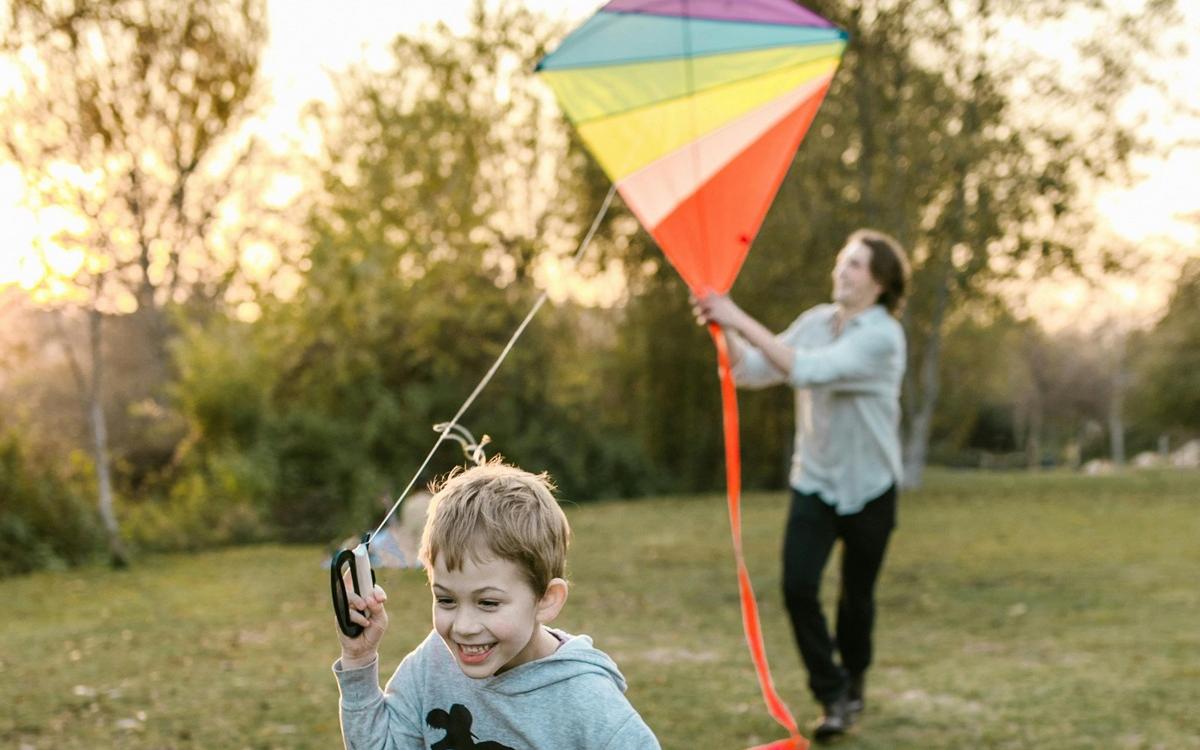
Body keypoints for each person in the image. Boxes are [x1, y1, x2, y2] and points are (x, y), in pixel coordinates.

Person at [694, 228, 909, 743]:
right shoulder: (816, 322)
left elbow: (808, 371)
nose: (842, 269)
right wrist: (721, 329)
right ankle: (832, 693)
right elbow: (753, 371)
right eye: (842, 259)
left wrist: (736, 314)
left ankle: (853, 683)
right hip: (814, 481)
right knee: (797, 587)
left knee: (856, 598)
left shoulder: (882, 337)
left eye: (855, 264)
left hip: (872, 487)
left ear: (879, 281)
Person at [332, 460, 661, 749]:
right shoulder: (432, 663)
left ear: (546, 600)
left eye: (488, 602)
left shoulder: (589, 703)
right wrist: (358, 661)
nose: (463, 626)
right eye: (446, 599)